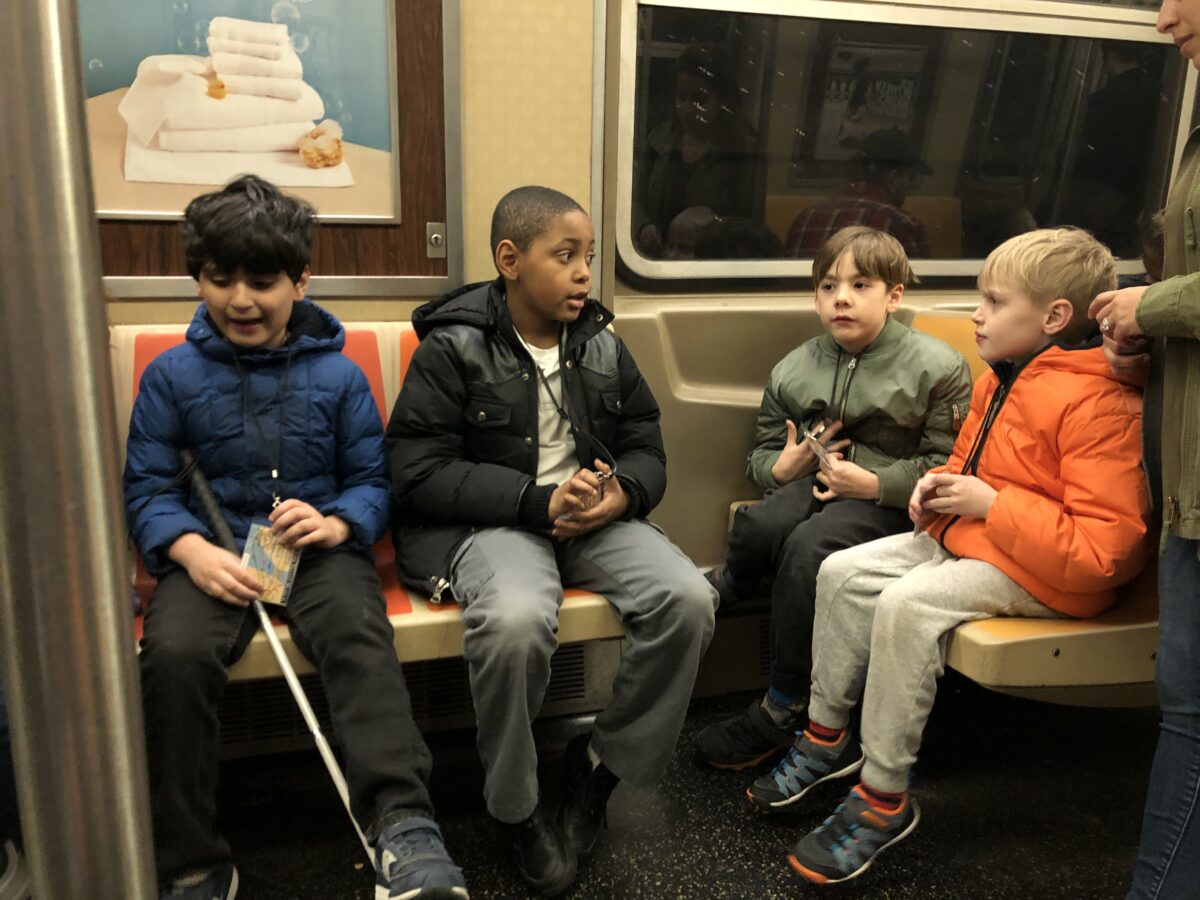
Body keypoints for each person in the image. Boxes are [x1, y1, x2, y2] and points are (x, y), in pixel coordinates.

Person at [765, 228, 1149, 885]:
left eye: (995, 302)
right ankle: (828, 735)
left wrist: (990, 504)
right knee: (843, 570)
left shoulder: (1099, 403)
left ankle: (884, 795)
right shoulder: (999, 381)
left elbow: (1103, 553)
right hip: (987, 542)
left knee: (907, 605)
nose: (977, 314)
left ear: (1054, 317)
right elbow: (967, 468)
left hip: (1054, 577)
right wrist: (935, 493)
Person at [124, 175, 466, 900]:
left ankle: (404, 827)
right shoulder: (169, 378)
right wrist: (189, 550)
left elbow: (374, 482)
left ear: (301, 280)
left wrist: (338, 521)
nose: (240, 299)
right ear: (197, 279)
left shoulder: (340, 378)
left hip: (313, 555)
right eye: (220, 280)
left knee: (358, 636)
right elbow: (149, 490)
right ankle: (189, 857)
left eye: (262, 280)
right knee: (174, 657)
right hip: (209, 557)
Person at [386, 186, 717, 897]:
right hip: (498, 521)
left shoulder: (600, 344)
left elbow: (645, 447)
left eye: (590, 258)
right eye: (564, 256)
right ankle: (517, 806)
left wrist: (623, 493)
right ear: (510, 260)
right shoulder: (453, 347)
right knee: (512, 622)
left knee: (689, 598)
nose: (583, 274)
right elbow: (417, 472)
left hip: (590, 521)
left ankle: (597, 771)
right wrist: (535, 501)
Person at [695, 226, 972, 771]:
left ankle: (783, 705)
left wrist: (874, 484)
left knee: (808, 549)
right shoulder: (795, 366)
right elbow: (763, 453)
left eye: (860, 284)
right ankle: (727, 589)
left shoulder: (937, 368)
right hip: (814, 480)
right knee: (759, 525)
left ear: (894, 295)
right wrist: (780, 467)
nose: (840, 298)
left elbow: (949, 464)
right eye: (827, 286)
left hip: (891, 504)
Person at [1091, 3, 1200, 894]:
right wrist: (1146, 348)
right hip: (1189, 479)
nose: (1162, 15)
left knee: (1193, 716)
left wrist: (1150, 307)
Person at [632, 43, 757, 259]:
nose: (687, 109)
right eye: (681, 97)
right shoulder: (658, 140)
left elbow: (750, 226)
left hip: (709, 267)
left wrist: (713, 230)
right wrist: (643, 226)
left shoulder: (743, 151)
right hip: (655, 263)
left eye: (699, 100)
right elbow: (634, 201)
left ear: (723, 101)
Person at [785, 128, 933, 260]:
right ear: (893, 179)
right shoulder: (902, 224)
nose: (909, 187)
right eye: (910, 177)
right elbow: (924, 289)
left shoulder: (805, 218)